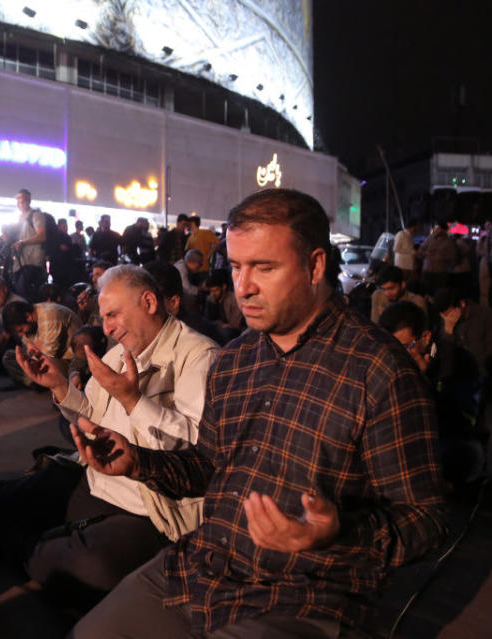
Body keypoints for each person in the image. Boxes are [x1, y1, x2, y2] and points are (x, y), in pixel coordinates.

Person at [70, 188, 447, 638]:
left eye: (264, 268)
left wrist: (337, 531)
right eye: (235, 266)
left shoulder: (379, 371)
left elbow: (425, 518)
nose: (243, 286)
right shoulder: (234, 361)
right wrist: (140, 461)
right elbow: (208, 466)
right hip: (200, 570)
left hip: (307, 594)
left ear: (315, 266)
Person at [14, 264, 218, 598]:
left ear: (149, 303)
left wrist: (132, 400)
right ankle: (50, 549)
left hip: (148, 508)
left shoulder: (199, 357)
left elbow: (195, 450)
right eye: (103, 316)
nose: (106, 327)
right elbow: (92, 416)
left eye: (112, 315)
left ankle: (49, 552)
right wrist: (60, 386)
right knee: (9, 502)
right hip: (93, 481)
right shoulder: (118, 353)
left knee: (92, 569)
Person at [379, 301, 487, 486]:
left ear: (425, 337)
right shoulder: (390, 360)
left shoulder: (456, 360)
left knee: (455, 457)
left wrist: (424, 382)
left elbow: (462, 418)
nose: (397, 355)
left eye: (406, 346)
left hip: (451, 438)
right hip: (407, 438)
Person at [0, 299, 81, 390]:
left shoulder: (49, 315)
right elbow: (30, 347)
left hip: (68, 361)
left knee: (47, 361)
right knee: (9, 357)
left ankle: (41, 383)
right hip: (46, 355)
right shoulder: (29, 319)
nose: (21, 335)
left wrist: (34, 353)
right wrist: (32, 353)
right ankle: (38, 383)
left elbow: (48, 353)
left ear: (28, 316)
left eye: (21, 330)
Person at [431, 287, 492, 388]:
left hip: (477, 370)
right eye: (443, 316)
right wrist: (448, 332)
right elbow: (439, 354)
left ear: (462, 304)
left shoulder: (485, 316)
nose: (447, 318)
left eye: (449, 314)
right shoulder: (443, 321)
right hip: (451, 372)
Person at [11, 189, 48, 300]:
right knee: (18, 292)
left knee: (26, 294)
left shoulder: (36, 215)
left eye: (22, 201)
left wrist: (22, 242)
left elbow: (42, 236)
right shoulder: (20, 218)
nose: (20, 204)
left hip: (33, 262)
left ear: (28, 201)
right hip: (21, 261)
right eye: (18, 201)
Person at [417, 221, 458, 293]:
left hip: (441, 272)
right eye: (436, 228)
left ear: (444, 230)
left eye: (438, 228)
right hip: (427, 270)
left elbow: (454, 258)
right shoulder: (430, 239)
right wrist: (426, 253)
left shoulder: (449, 242)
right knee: (425, 292)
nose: (436, 230)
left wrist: (442, 258)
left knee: (438, 292)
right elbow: (420, 250)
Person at [203, 271, 244, 343]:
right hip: (217, 326)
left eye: (216, 290)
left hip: (233, 330)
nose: (213, 294)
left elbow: (236, 324)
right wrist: (220, 324)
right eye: (211, 291)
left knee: (226, 332)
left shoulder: (233, 299)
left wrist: (222, 325)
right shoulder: (210, 299)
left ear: (224, 287)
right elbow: (206, 319)